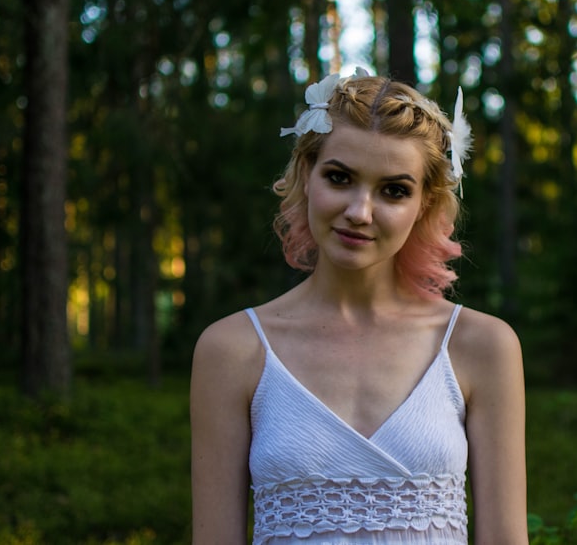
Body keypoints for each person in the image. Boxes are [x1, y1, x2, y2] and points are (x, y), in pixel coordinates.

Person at [190, 70, 527, 544]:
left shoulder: (480, 346)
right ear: (307, 176)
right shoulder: (232, 350)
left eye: (394, 190)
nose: (360, 211)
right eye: (340, 178)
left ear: (424, 204)